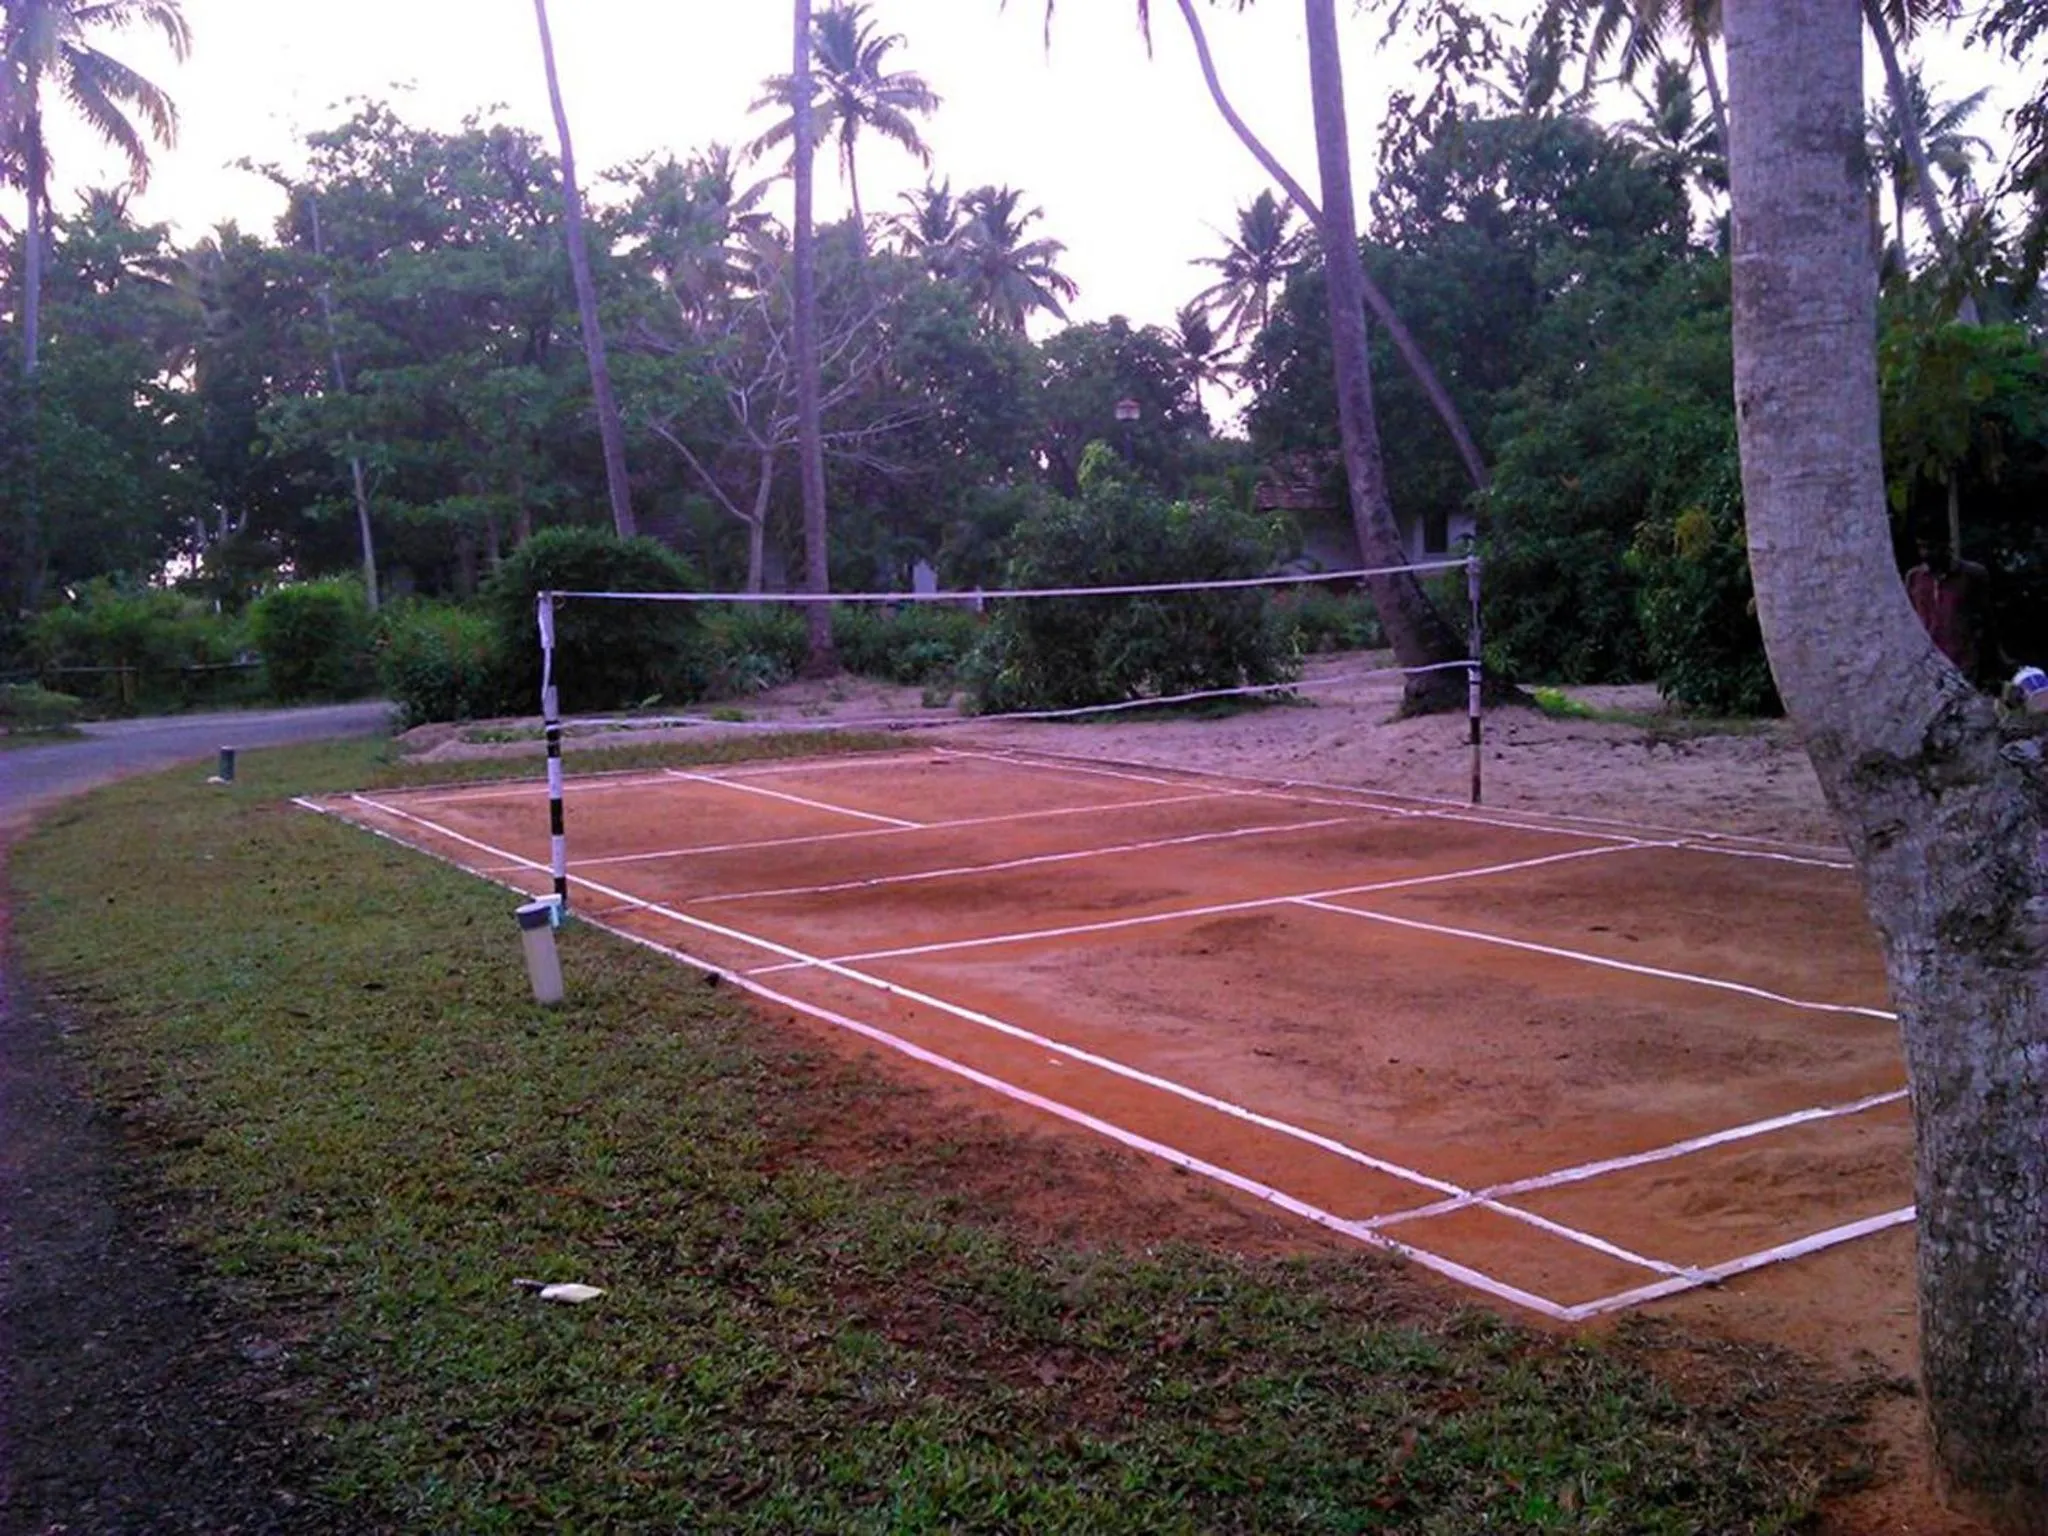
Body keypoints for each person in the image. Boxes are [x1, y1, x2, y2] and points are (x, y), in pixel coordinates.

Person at [1905, 533, 2003, 686]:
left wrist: (1994, 656)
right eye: (1921, 547)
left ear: (1945, 545)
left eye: (1931, 547)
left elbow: (1986, 617)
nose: (1925, 554)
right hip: (1928, 661)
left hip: (1962, 658)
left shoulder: (1971, 575)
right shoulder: (1915, 578)